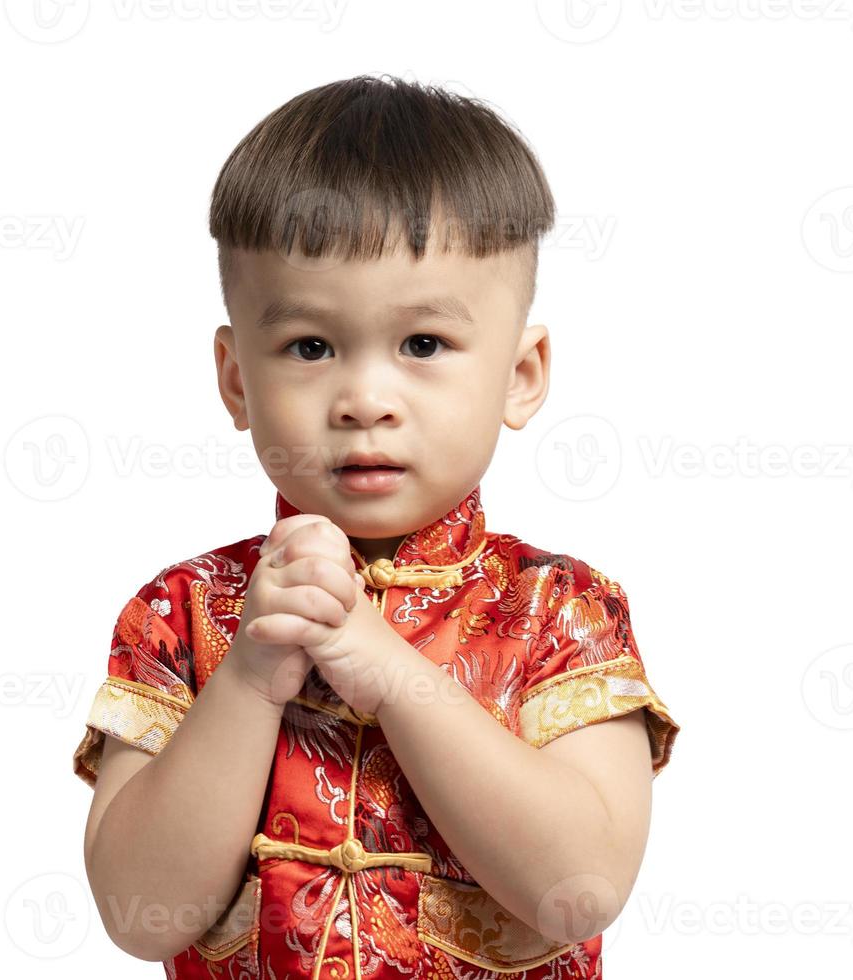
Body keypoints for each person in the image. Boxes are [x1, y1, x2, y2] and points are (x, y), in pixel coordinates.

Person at [73, 73, 681, 980]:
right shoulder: (182, 612)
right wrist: (247, 679)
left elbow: (580, 888)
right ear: (237, 381)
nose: (364, 400)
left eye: (423, 345)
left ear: (522, 373)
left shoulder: (560, 610)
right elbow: (139, 914)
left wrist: (393, 676)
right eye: (310, 347)